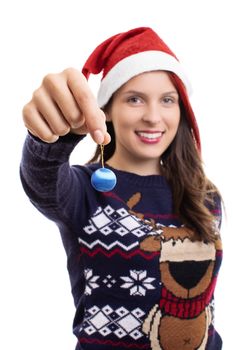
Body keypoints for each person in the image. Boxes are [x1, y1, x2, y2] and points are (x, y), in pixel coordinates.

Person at [20, 27, 223, 349]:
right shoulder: (84, 191)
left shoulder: (204, 195)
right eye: (134, 99)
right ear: (107, 110)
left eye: (167, 100)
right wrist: (49, 136)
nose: (153, 116)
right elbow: (41, 176)